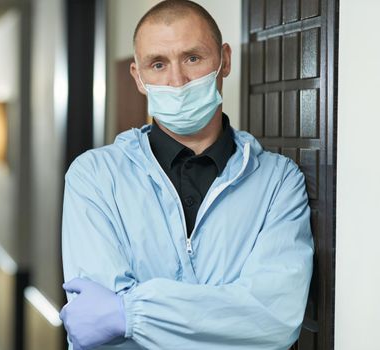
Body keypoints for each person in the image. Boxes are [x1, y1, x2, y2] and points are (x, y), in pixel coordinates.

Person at [59, 1, 314, 349]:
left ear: (224, 60)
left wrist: (128, 315)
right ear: (138, 77)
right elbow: (99, 329)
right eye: (158, 64)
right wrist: (226, 315)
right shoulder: (95, 176)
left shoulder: (278, 182)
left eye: (192, 58)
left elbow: (274, 318)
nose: (177, 81)